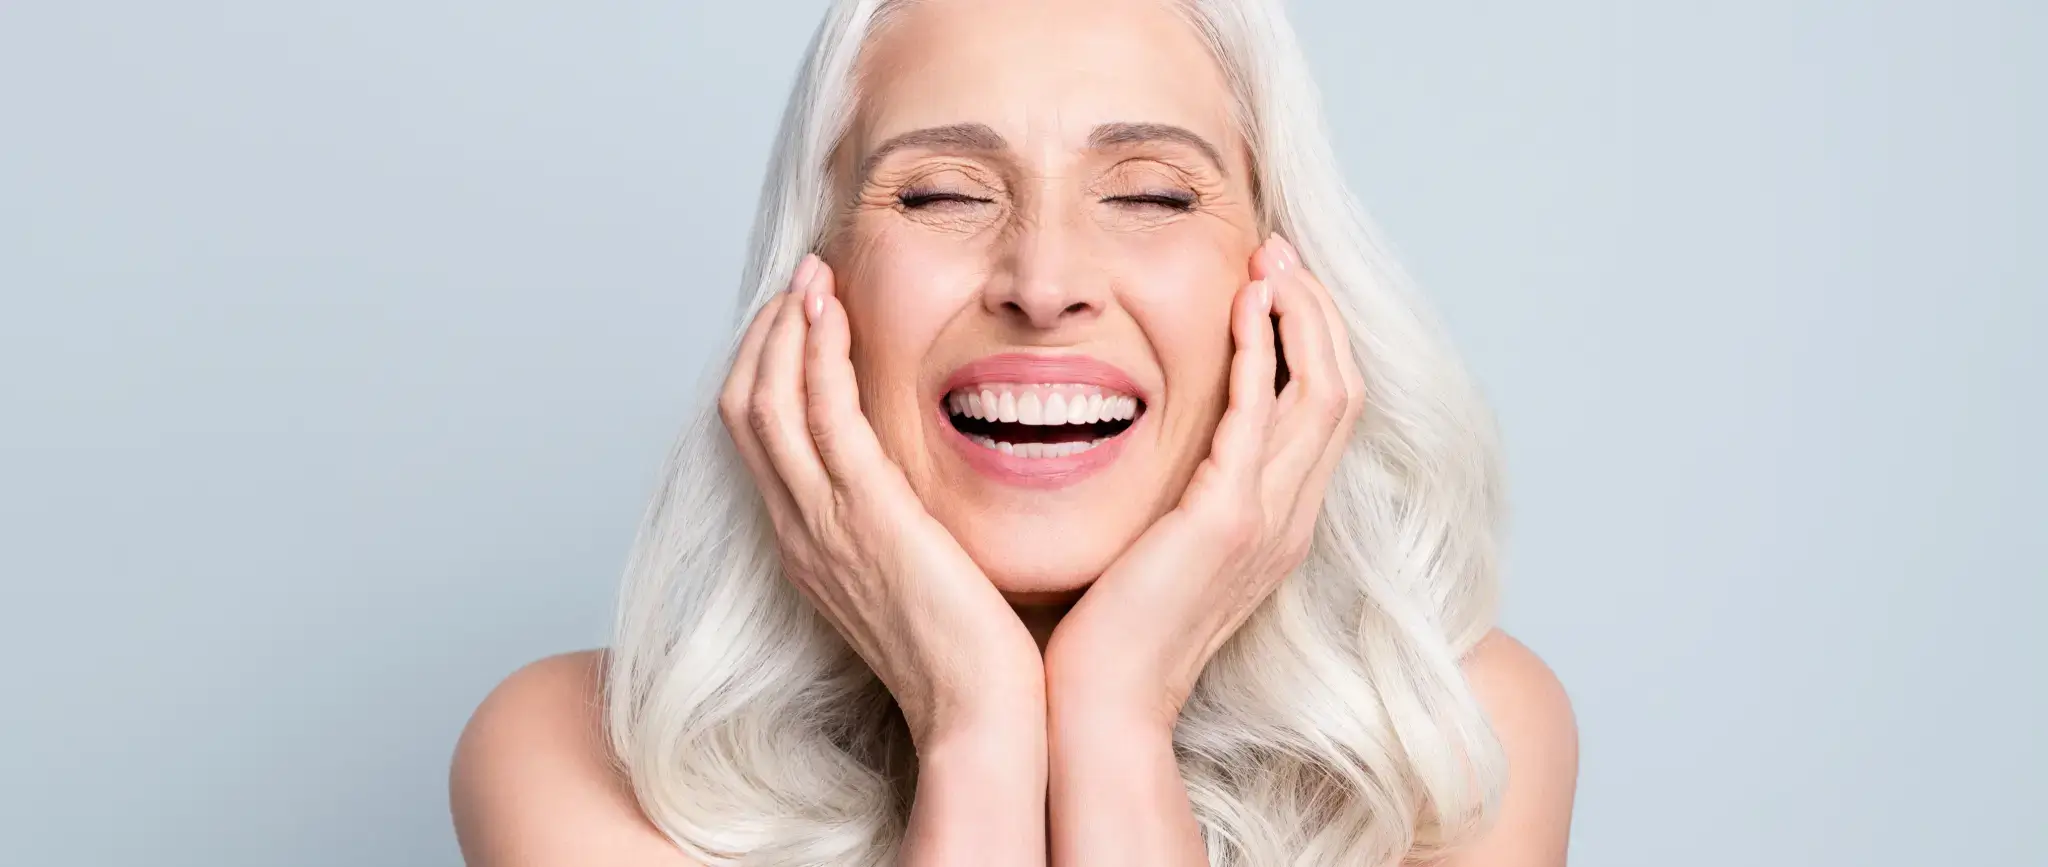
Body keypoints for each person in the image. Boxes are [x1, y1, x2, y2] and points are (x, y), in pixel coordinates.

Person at [450, 0, 1578, 863]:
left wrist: (1113, 713)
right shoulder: (574, 757)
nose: (1042, 283)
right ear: (815, 281)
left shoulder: (1451, 741)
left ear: (1284, 284)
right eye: (941, 193)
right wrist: (974, 724)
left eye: (1150, 195)